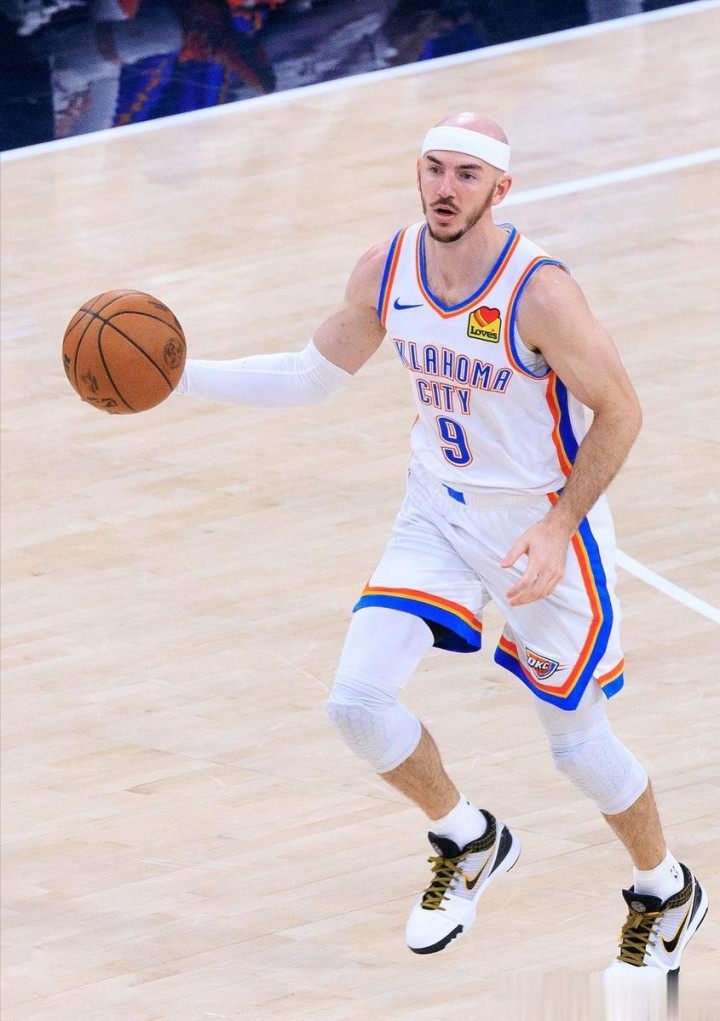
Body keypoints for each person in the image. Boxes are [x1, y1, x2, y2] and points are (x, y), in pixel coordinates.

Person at [177, 113, 707, 970]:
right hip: (437, 509)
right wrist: (180, 376)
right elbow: (309, 376)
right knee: (356, 702)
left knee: (578, 747)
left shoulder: (539, 292)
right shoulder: (387, 267)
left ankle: (666, 887)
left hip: (539, 527)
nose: (445, 188)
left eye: (467, 174)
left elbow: (622, 410)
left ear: (502, 188)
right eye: (434, 169)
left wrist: (557, 527)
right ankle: (468, 838)